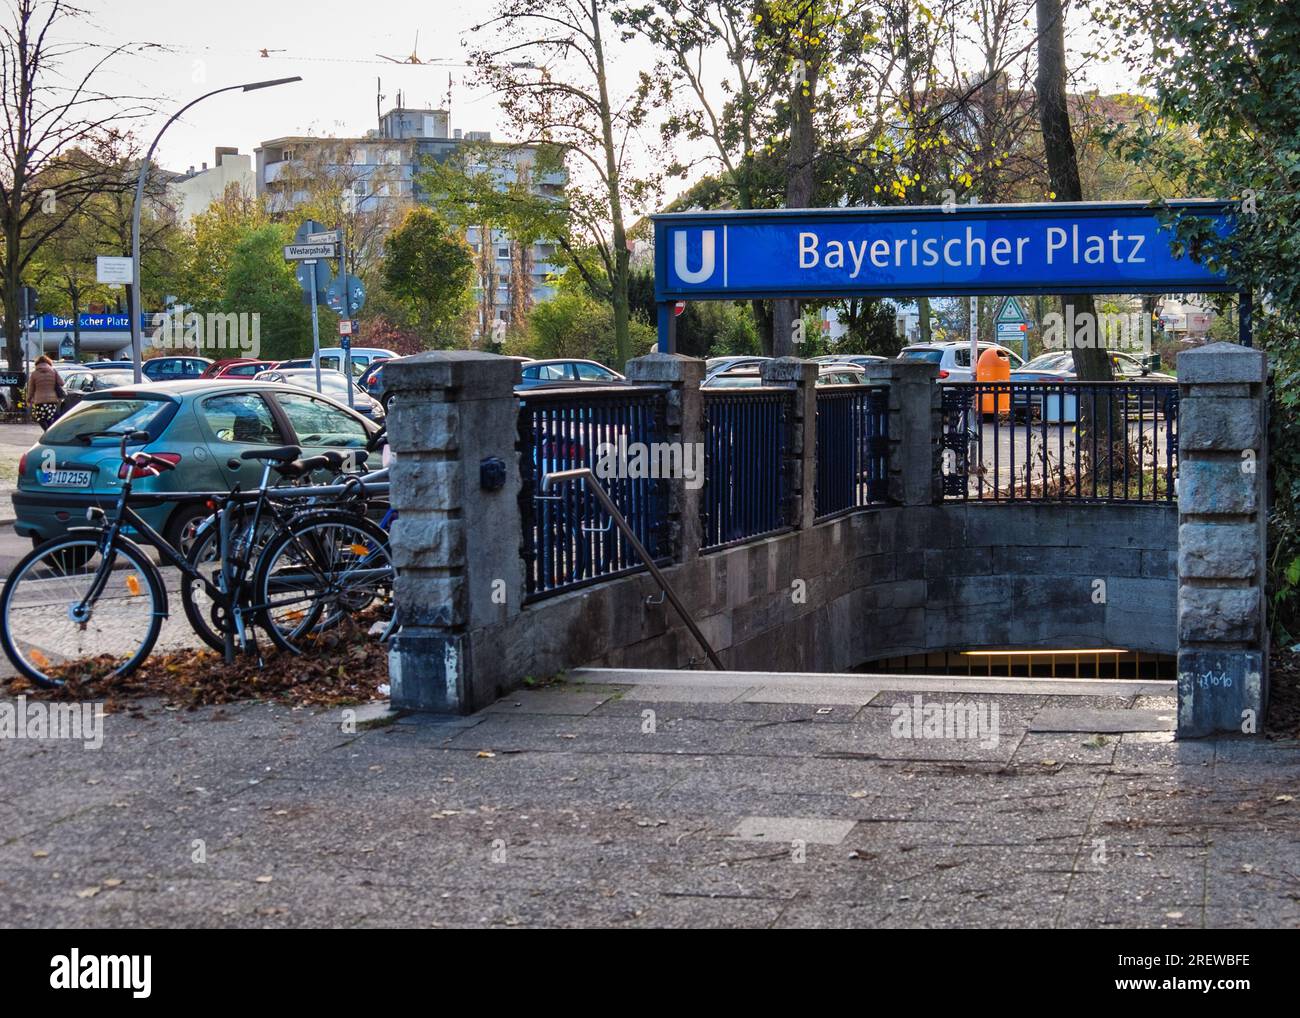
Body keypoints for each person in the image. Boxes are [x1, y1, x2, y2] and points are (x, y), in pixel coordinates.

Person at [25, 355, 65, 430]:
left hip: (39, 401)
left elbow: (31, 388)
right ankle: (50, 432)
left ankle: (47, 431)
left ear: (37, 364)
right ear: (48, 363)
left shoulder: (34, 374)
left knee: (40, 418)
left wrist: (28, 399)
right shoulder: (53, 371)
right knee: (50, 417)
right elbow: (62, 383)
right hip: (52, 400)